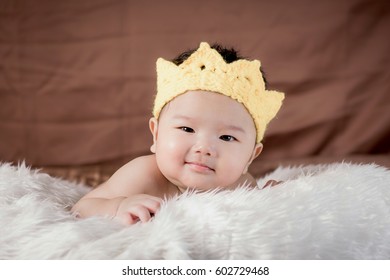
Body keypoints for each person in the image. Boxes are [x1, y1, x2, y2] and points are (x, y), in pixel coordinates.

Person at [71, 42, 284, 225]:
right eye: (187, 129)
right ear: (156, 135)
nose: (204, 148)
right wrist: (118, 206)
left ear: (251, 156)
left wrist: (269, 198)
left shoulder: (241, 185)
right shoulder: (143, 175)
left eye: (227, 137)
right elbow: (83, 207)